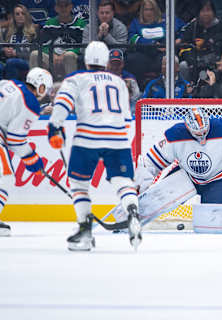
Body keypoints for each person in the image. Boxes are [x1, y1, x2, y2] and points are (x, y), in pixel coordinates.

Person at [47, 41, 142, 251]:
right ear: (106, 61)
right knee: (122, 181)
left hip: (87, 137)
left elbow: (62, 103)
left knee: (79, 185)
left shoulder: (76, 79)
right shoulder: (119, 82)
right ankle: (133, 212)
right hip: (118, 138)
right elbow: (127, 117)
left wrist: (55, 126)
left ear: (86, 59)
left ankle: (85, 231)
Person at [0, 67, 53, 236]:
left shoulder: (10, 83)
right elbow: (16, 140)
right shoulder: (30, 103)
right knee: (5, 177)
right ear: (41, 86)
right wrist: (33, 160)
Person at [178, 0, 222, 82]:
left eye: (208, 10)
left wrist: (212, 40)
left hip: (215, 60)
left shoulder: (220, 24)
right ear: (198, 13)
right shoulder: (192, 27)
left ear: (213, 12)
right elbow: (184, 47)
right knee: (183, 65)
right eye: (203, 11)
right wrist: (191, 60)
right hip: (196, 60)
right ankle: (188, 89)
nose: (205, 14)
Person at [29, 0, 86, 80]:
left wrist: (65, 55)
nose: (63, 8)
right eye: (60, 6)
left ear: (71, 7)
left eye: (66, 5)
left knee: (68, 55)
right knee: (35, 54)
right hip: (52, 56)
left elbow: (82, 47)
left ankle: (71, 86)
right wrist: (52, 55)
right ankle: (35, 86)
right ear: (56, 8)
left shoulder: (81, 24)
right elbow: (43, 45)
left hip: (71, 56)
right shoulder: (50, 23)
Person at [107, 49, 140, 115]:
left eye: (118, 64)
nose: (115, 67)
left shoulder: (130, 78)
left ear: (122, 64)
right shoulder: (102, 77)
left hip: (127, 106)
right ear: (107, 64)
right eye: (112, 64)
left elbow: (136, 96)